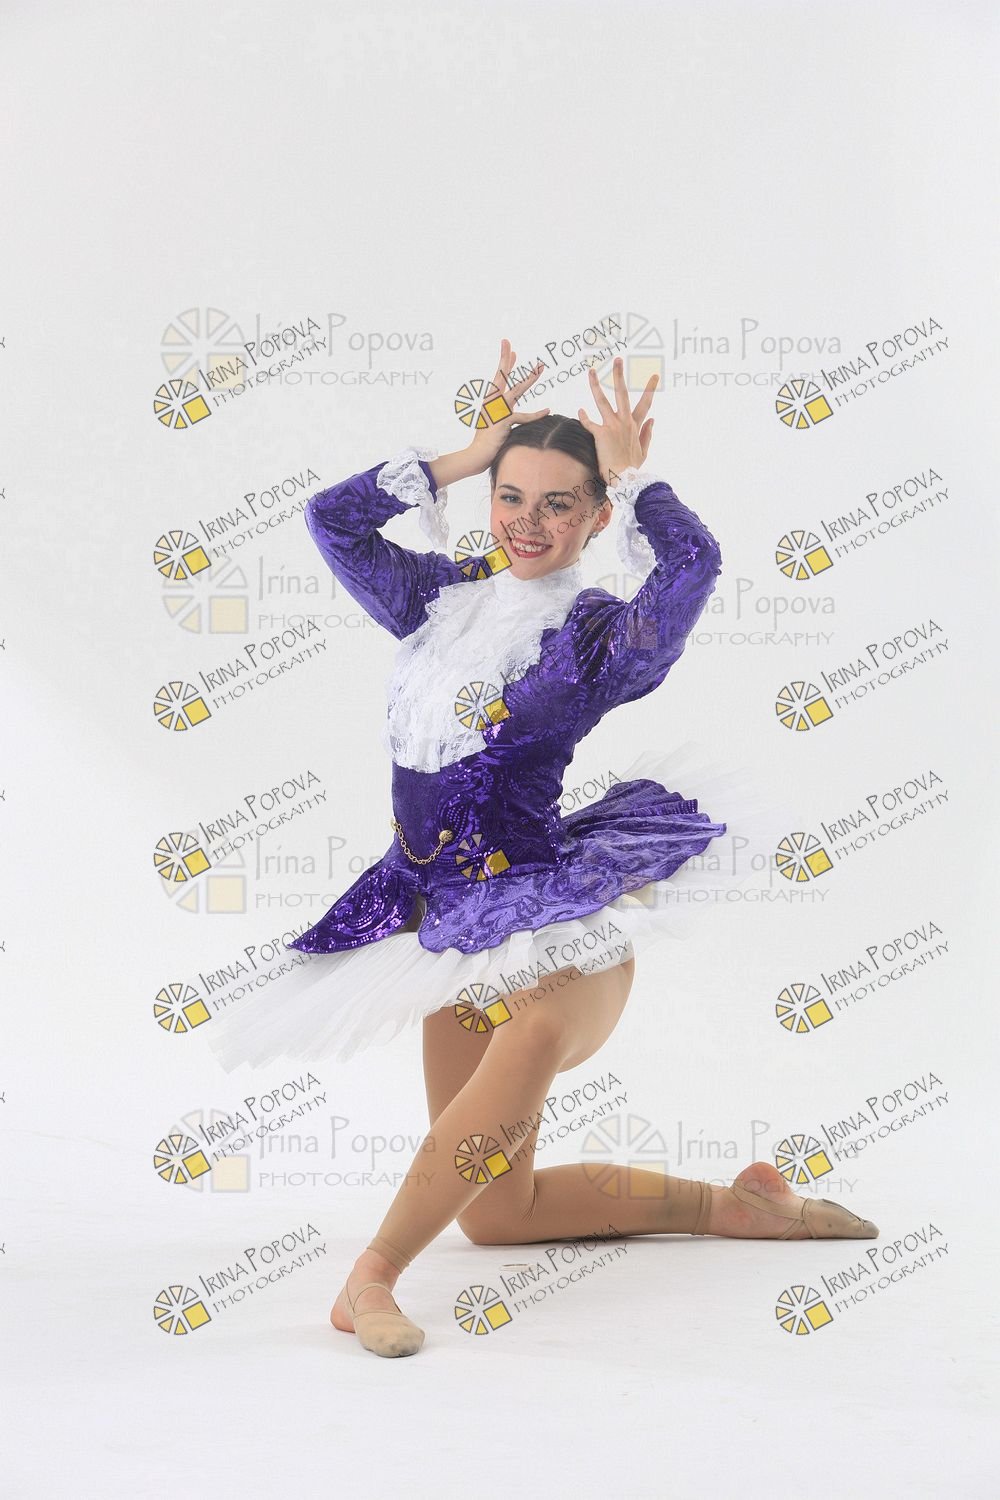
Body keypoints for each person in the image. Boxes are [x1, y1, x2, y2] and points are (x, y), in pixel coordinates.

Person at [207, 343, 879, 1358]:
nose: (527, 522)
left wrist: (637, 475)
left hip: (554, 913)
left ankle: (370, 1278)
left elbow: (693, 568)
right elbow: (331, 519)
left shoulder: (596, 638)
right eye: (510, 497)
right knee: (498, 1212)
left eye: (559, 504)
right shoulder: (438, 600)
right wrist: (467, 454)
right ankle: (740, 1207)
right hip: (443, 923)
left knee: (532, 1034)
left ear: (597, 519)